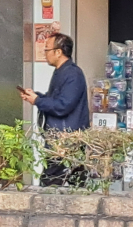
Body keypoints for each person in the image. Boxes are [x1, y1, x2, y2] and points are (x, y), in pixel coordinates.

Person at [20, 33, 89, 186]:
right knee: (64, 182)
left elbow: (63, 106)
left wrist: (38, 100)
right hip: (61, 137)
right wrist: (36, 97)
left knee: (52, 182)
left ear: (58, 52)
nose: (45, 54)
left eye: (47, 50)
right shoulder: (63, 71)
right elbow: (57, 100)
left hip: (66, 139)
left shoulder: (72, 73)